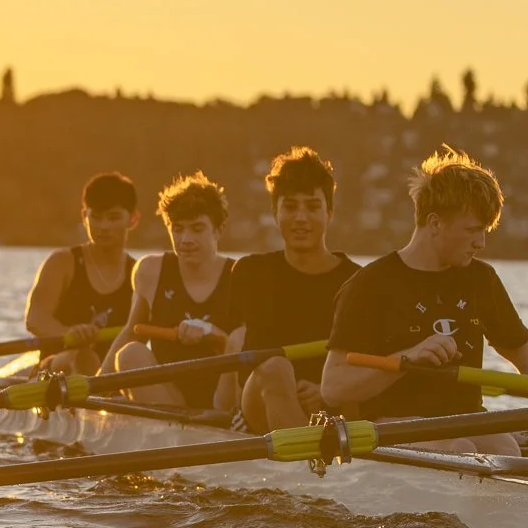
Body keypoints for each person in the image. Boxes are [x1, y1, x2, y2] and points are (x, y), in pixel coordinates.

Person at [320, 146, 528, 454]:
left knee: (506, 449)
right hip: (390, 424)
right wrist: (409, 359)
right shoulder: (369, 285)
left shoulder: (481, 280)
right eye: (472, 230)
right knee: (457, 447)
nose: (480, 243)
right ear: (435, 223)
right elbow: (333, 387)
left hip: (462, 421)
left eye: (484, 232)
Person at [223, 147, 357, 431]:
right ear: (275, 213)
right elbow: (245, 360)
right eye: (291, 207)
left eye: (312, 206)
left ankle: (308, 458)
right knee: (275, 368)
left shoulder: (356, 282)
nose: (301, 217)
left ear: (329, 213)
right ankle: (308, 466)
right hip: (261, 400)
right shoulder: (249, 272)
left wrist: (325, 391)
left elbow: (364, 361)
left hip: (329, 406)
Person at [103, 171, 238, 409]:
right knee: (129, 354)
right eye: (177, 229)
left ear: (219, 229)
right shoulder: (150, 270)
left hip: (222, 400)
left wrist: (214, 334)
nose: (185, 239)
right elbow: (132, 332)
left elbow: (245, 351)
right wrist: (95, 384)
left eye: (197, 229)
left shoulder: (240, 275)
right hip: (167, 395)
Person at [23, 172, 139, 375]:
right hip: (57, 369)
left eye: (113, 218)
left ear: (133, 219)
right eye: (96, 217)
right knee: (80, 355)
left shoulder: (139, 273)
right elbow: (35, 319)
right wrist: (69, 334)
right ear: (84, 217)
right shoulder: (62, 262)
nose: (103, 226)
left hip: (111, 373)